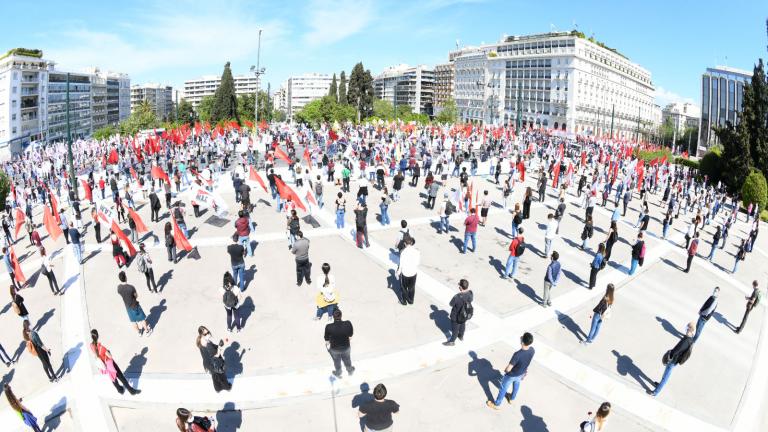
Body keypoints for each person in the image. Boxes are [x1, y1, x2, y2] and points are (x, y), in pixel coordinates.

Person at [487, 332, 535, 409]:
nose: (520, 336)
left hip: (511, 375)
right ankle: (511, 398)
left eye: (522, 337)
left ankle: (496, 404)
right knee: (516, 385)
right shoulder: (532, 350)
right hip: (521, 373)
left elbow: (508, 369)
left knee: (503, 389)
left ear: (522, 342)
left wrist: (505, 370)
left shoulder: (517, 354)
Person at [648, 322, 695, 397]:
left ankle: (656, 392)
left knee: (666, 376)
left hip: (674, 360)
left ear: (690, 329)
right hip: (675, 359)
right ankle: (659, 385)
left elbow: (677, 350)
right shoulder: (690, 337)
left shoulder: (687, 340)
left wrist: (670, 356)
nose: (686, 328)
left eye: (687, 327)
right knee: (665, 374)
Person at [90, 329, 140, 395]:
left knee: (112, 377)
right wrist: (108, 352)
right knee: (121, 377)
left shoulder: (91, 346)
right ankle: (131, 391)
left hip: (104, 366)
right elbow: (110, 356)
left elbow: (96, 354)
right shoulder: (102, 348)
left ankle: (120, 390)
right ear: (98, 336)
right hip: (110, 364)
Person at [196, 327, 231, 392]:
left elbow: (207, 353)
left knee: (214, 377)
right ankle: (227, 387)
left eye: (208, 332)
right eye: (205, 334)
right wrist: (220, 348)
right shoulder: (208, 345)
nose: (208, 334)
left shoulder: (201, 341)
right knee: (221, 376)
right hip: (214, 364)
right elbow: (216, 355)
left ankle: (217, 389)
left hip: (208, 364)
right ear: (201, 335)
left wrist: (217, 345)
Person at [117, 271, 152, 336]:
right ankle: (147, 331)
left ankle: (139, 332)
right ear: (125, 277)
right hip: (135, 305)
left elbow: (120, 293)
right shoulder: (131, 287)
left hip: (128, 307)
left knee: (133, 321)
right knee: (142, 319)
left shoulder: (119, 288)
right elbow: (136, 296)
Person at [324, 309, 355, 378]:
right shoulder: (348, 323)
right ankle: (350, 371)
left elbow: (326, 338)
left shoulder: (328, 326)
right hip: (346, 347)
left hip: (334, 348)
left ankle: (338, 372)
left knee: (336, 361)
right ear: (341, 315)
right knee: (347, 359)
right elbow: (351, 334)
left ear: (333, 316)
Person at [444, 279, 473, 345]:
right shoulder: (470, 293)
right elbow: (471, 300)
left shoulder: (457, 297)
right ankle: (461, 336)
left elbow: (451, 304)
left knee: (455, 329)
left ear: (460, 287)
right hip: (465, 313)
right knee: (463, 324)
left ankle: (452, 341)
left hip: (456, 316)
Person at [396, 236, 420, 305]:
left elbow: (401, 265)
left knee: (404, 288)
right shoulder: (417, 251)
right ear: (412, 243)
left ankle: (404, 301)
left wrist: (397, 273)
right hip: (413, 272)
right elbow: (418, 263)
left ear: (405, 243)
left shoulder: (403, 252)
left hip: (405, 273)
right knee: (412, 288)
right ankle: (411, 300)